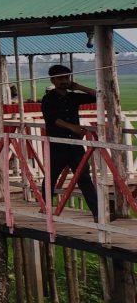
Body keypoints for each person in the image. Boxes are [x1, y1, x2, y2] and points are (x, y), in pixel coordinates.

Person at [40, 64, 102, 221]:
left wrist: (78, 86)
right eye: (60, 78)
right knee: (51, 177)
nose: (64, 81)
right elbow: (53, 119)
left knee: (84, 178)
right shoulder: (48, 99)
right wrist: (73, 127)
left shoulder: (73, 96)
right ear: (53, 80)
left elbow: (99, 96)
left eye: (67, 78)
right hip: (58, 144)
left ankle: (97, 213)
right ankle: (45, 207)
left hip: (74, 145)